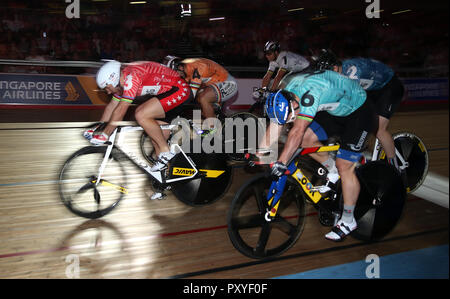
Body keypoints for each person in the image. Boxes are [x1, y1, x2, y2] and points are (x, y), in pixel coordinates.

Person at [259, 70, 377, 241]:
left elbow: (297, 131)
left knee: (344, 166)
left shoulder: (309, 97)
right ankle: (331, 169)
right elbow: (278, 124)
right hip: (335, 108)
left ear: (294, 105)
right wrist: (260, 152)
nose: (289, 122)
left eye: (290, 117)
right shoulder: (288, 94)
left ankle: (348, 220)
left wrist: (281, 162)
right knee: (306, 140)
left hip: (360, 112)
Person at [85, 60, 192, 172]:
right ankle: (165, 180)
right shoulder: (121, 83)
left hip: (179, 89)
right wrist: (98, 128)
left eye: (107, 87)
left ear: (113, 79)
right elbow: (111, 107)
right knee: (156, 139)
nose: (107, 92)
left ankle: (166, 151)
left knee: (141, 114)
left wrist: (105, 134)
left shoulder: (132, 77)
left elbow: (121, 110)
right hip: (167, 93)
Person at [315, 49, 405, 170]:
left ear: (335, 69)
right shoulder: (338, 73)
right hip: (372, 87)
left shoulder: (351, 73)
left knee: (379, 129)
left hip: (389, 87)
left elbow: (354, 105)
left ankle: (396, 167)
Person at [164, 56, 238, 136]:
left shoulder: (194, 68)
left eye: (174, 73)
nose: (174, 76)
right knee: (199, 102)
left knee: (203, 98)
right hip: (212, 83)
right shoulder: (185, 70)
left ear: (179, 67)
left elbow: (191, 94)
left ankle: (212, 129)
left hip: (227, 82)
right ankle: (211, 120)